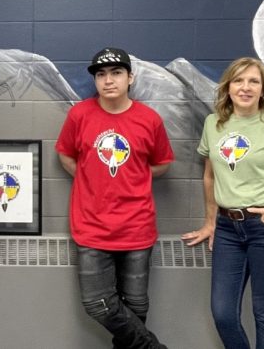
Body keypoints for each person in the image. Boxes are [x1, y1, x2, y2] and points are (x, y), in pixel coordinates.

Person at [182, 57, 264, 349]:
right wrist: (210, 221)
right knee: (224, 314)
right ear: (228, 87)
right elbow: (209, 177)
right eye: (238, 81)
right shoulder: (213, 124)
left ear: (263, 89)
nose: (245, 87)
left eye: (253, 81)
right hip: (228, 230)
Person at [56, 48, 173, 349]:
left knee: (136, 306)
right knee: (97, 304)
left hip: (137, 228)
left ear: (130, 77)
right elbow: (66, 155)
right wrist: (89, 177)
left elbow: (161, 163)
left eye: (116, 73)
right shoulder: (79, 115)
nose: (108, 80)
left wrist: (134, 177)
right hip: (92, 228)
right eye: (101, 74)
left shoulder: (149, 119)